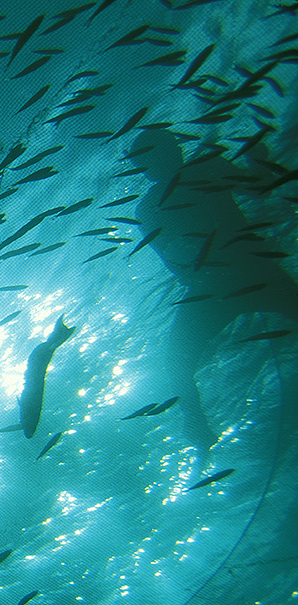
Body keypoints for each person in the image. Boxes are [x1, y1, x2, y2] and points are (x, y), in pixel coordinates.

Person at [127, 127, 296, 449]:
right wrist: (258, 157)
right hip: (240, 275)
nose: (149, 165)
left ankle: (197, 425)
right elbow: (261, 188)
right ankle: (197, 424)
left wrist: (258, 159)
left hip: (222, 284)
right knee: (176, 361)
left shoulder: (163, 197)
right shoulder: (195, 175)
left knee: (176, 362)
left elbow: (177, 265)